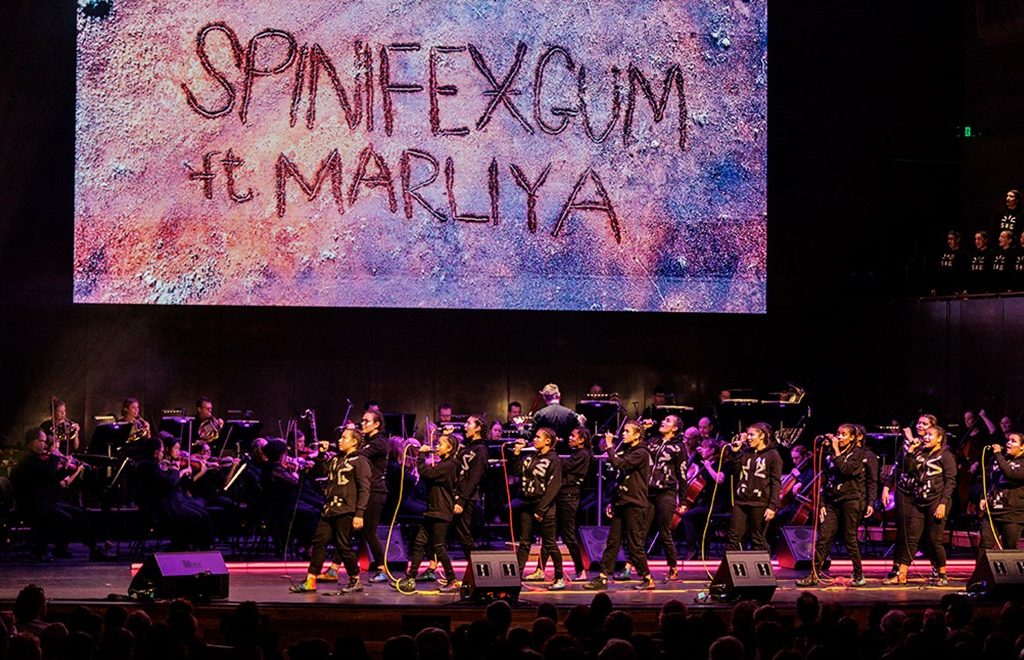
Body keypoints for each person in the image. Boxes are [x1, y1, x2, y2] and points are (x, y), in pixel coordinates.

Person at [290, 426, 371, 594]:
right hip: (329, 508)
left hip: (346, 510)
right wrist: (320, 455)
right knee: (319, 542)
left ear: (354, 442)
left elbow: (364, 489)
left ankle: (355, 579)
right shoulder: (336, 459)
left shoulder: (360, 461)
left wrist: (360, 513)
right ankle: (311, 579)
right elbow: (319, 473)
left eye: (344, 438)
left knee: (343, 546)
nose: (340, 440)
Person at [10, 428, 106, 560]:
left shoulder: (37, 459)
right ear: (33, 442)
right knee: (66, 519)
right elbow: (46, 475)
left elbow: (51, 479)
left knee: (78, 512)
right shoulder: (28, 460)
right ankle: (48, 549)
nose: (45, 445)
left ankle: (93, 549)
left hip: (45, 502)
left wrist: (66, 469)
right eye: (42, 441)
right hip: (33, 506)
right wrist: (54, 457)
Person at [585, 421, 654, 591]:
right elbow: (619, 477)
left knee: (634, 543)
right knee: (613, 541)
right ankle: (602, 576)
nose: (623, 434)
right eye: (624, 431)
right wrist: (612, 501)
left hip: (634, 504)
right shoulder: (630, 451)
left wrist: (609, 446)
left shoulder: (641, 453)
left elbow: (619, 464)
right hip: (621, 502)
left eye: (627, 431)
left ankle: (647, 577)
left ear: (637, 435)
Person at [884, 425, 957, 585]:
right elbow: (907, 469)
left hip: (936, 501)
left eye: (931, 435)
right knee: (911, 537)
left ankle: (942, 574)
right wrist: (910, 451)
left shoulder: (946, 455)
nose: (926, 437)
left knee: (934, 539)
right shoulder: (921, 453)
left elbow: (951, 481)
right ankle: (901, 574)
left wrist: (943, 503)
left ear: (939, 438)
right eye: (926, 435)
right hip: (919, 501)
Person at [797, 424, 866, 587]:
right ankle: (813, 574)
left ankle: (858, 574)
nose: (839, 437)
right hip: (831, 501)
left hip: (850, 500)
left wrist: (835, 449)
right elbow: (824, 479)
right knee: (824, 537)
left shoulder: (858, 454)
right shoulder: (830, 455)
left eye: (844, 435)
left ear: (852, 438)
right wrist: (821, 503)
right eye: (838, 434)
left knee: (850, 538)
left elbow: (845, 470)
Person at [395, 430, 460, 593]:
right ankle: (410, 578)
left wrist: (421, 456)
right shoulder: (442, 464)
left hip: (441, 511)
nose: (437, 447)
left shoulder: (450, 465)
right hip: (432, 511)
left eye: (441, 444)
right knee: (419, 543)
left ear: (450, 448)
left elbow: (426, 473)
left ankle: (452, 579)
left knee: (438, 546)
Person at [527, 426, 593, 582]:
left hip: (569, 498)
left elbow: (564, 466)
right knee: (549, 535)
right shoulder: (576, 454)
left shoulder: (583, 455)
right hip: (561, 496)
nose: (569, 438)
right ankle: (540, 569)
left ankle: (580, 570)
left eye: (573, 436)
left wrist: (551, 457)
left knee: (569, 535)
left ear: (582, 440)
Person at [881, 414, 937, 579]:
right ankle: (897, 566)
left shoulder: (931, 445)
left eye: (924, 424)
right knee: (903, 530)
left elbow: (918, 466)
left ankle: (935, 565)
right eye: (918, 422)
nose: (920, 425)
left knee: (927, 532)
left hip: (922, 493)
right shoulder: (906, 443)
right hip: (904, 491)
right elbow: (898, 466)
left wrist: (912, 440)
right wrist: (886, 487)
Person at [134, 434, 212, 550]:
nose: (162, 454)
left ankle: (189, 547)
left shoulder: (150, 465)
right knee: (197, 517)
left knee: (202, 515)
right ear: (155, 453)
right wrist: (176, 471)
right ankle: (188, 548)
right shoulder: (148, 466)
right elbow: (169, 483)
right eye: (161, 451)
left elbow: (165, 481)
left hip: (165, 504)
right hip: (159, 509)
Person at [512, 428, 565, 591]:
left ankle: (559, 577)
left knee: (549, 543)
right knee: (524, 542)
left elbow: (554, 486)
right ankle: (517, 575)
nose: (534, 439)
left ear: (548, 440)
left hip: (544, 506)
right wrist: (516, 453)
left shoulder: (554, 460)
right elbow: (516, 472)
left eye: (538, 437)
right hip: (527, 504)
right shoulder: (531, 457)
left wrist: (541, 510)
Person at [972, 432, 1024, 580]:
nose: (1008, 443)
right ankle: (979, 578)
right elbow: (987, 480)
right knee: (984, 545)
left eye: (1013, 441)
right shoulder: (998, 460)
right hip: (992, 511)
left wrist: (998, 454)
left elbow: (1009, 473)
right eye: (1008, 440)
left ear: (1022, 447)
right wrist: (983, 497)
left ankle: (1011, 580)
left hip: (1012, 513)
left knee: (1009, 547)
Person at [724, 422, 782, 552]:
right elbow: (734, 471)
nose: (748, 438)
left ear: (762, 436)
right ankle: (732, 571)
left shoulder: (773, 455)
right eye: (748, 435)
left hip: (760, 502)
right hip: (741, 501)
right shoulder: (745, 452)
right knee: (733, 537)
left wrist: (773, 506)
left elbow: (776, 482)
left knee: (757, 538)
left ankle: (762, 570)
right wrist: (734, 454)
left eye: (752, 435)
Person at [644, 415, 687, 581]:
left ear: (675, 428)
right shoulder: (652, 441)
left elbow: (682, 473)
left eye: (668, 421)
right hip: (648, 491)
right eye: (664, 420)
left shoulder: (678, 447)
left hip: (666, 492)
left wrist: (683, 500)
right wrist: (643, 430)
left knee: (665, 532)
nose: (663, 422)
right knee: (641, 530)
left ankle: (673, 568)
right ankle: (630, 566)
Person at [677, 437, 727, 559]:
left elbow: (720, 480)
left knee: (688, 516)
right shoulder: (703, 465)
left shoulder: (720, 464)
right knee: (694, 516)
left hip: (715, 504)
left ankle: (692, 549)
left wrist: (709, 467)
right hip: (704, 503)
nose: (701, 450)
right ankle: (699, 551)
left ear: (712, 450)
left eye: (704, 448)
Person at [358, 410, 390, 582]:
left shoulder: (379, 442)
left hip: (375, 491)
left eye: (366, 421)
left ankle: (382, 568)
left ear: (377, 424)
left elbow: (359, 455)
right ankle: (334, 568)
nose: (362, 424)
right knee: (350, 529)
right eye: (362, 421)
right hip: (366, 490)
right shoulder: (368, 442)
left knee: (369, 531)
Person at [452, 416, 489, 563]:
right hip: (455, 494)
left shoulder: (481, 449)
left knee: (463, 534)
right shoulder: (467, 447)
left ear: (478, 427)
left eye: (469, 423)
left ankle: (477, 567)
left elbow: (474, 478)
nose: (465, 426)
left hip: (466, 496)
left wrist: (461, 500)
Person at [934, 230, 967, 295]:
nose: (949, 241)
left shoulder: (963, 254)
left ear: (958, 239)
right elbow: (938, 271)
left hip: (955, 292)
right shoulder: (944, 253)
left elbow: (964, 273)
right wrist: (935, 287)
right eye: (948, 239)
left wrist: (961, 289)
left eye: (951, 239)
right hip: (942, 290)